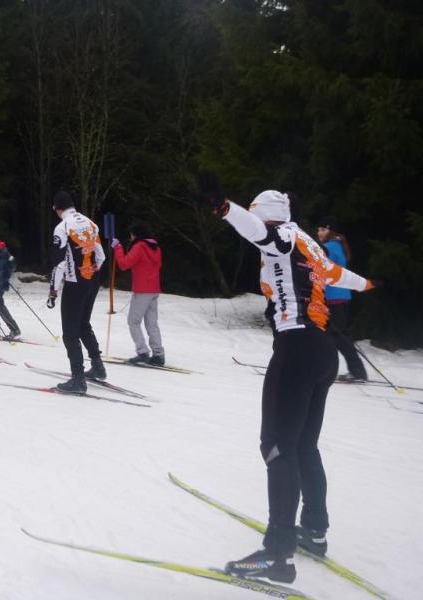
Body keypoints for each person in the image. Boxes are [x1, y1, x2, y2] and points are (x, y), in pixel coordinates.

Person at [199, 183, 376, 583]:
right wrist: (370, 284)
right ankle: (314, 532)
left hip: (296, 349)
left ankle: (277, 555)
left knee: (277, 446)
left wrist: (226, 209)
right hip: (322, 352)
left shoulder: (280, 238)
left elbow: (261, 233)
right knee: (303, 445)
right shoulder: (310, 245)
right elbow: (338, 275)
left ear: (267, 215)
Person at [47, 190, 106, 393]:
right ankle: (98, 366)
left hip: (75, 282)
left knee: (70, 332)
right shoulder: (91, 223)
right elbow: (101, 256)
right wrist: (92, 272)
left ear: (57, 208)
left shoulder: (62, 227)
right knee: (83, 324)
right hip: (93, 278)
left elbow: (59, 264)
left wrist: (53, 291)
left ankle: (78, 379)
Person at [317, 216, 368, 382]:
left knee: (338, 337)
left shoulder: (329, 247)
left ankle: (357, 371)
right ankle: (346, 370)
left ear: (331, 232)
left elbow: (321, 269)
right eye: (319, 229)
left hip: (332, 298)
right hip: (340, 297)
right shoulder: (338, 246)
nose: (319, 233)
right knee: (334, 337)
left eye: (323, 229)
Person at [111, 223, 165, 366]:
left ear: (136, 234)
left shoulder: (139, 246)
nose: (130, 237)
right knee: (152, 323)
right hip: (154, 289)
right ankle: (159, 355)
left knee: (133, 321)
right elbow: (157, 266)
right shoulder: (156, 247)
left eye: (131, 234)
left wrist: (118, 248)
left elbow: (124, 264)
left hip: (142, 290)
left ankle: (142, 352)